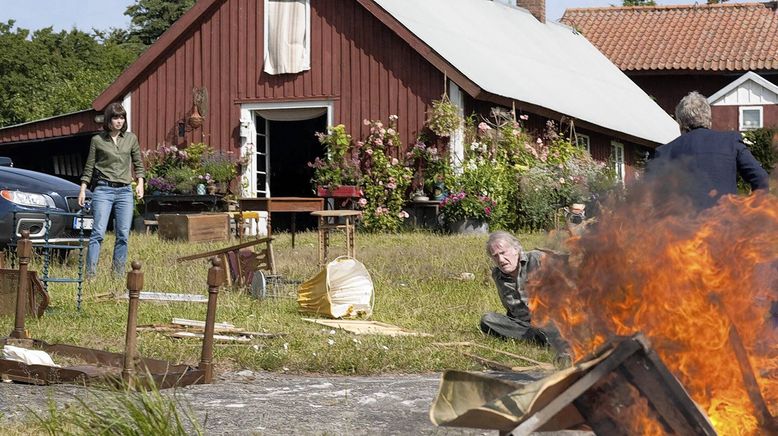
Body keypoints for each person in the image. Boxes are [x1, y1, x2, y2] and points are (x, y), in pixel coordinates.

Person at [651, 91, 768, 209]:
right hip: (727, 223)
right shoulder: (730, 142)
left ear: (680, 123)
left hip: (679, 225)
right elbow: (761, 178)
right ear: (709, 120)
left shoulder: (665, 152)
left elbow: (647, 196)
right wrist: (752, 211)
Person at [480, 231, 570, 363]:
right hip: (525, 325)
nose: (500, 260)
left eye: (503, 253)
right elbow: (510, 308)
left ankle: (563, 348)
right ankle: (539, 338)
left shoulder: (537, 259)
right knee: (488, 320)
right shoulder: (498, 275)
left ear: (516, 249)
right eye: (495, 256)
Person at [78, 103, 145, 278]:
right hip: (103, 190)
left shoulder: (131, 138)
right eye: (115, 117)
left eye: (122, 117)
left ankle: (118, 275)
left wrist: (140, 183)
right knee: (98, 233)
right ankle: (90, 275)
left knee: (122, 234)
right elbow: (89, 166)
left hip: (124, 192)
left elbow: (138, 163)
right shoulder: (97, 140)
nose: (119, 121)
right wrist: (83, 189)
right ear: (108, 119)